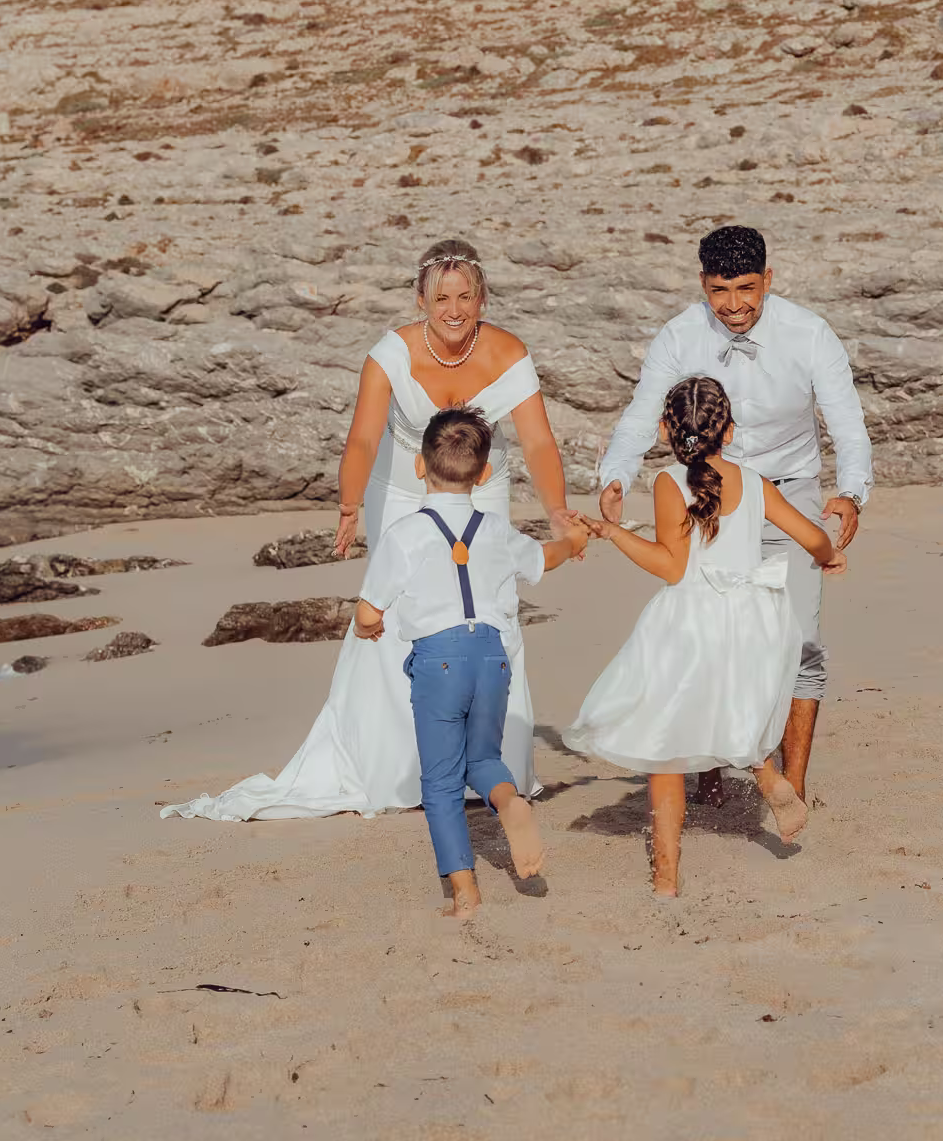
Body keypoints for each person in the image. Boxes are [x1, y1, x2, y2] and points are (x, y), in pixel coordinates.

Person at [162, 238, 575, 822]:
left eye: (464, 297)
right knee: (399, 607)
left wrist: (557, 511)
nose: (453, 310)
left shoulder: (509, 353)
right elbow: (361, 437)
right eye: (440, 298)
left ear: (482, 298)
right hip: (401, 483)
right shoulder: (391, 354)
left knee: (491, 601)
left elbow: (536, 440)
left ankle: (491, 761)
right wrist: (350, 502)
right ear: (420, 299)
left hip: (483, 478)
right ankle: (401, 764)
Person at [597, 225, 872, 807]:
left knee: (802, 639)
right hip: (705, 493)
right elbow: (641, 413)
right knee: (707, 631)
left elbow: (847, 423)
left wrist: (851, 493)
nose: (734, 304)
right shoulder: (676, 337)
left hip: (789, 490)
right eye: (720, 289)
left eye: (747, 288)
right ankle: (711, 766)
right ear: (703, 283)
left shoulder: (810, 334)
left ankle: (792, 786)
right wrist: (615, 476)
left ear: (768, 280)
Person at [566, 377, 844, 896]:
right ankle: (767, 776)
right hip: (754, 619)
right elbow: (811, 536)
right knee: (728, 707)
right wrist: (830, 558)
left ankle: (666, 878)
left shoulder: (670, 483)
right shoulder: (755, 480)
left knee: (667, 745)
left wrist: (615, 533)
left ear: (665, 429)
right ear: (731, 430)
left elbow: (672, 569)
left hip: (694, 620)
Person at [354, 406, 587, 917]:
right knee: (482, 759)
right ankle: (509, 803)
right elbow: (543, 558)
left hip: (439, 659)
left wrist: (366, 625)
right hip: (491, 656)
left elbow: (369, 607)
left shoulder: (406, 534)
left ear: (420, 466)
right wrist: (573, 543)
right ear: (483, 474)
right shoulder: (498, 530)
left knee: (440, 781)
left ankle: (464, 891)